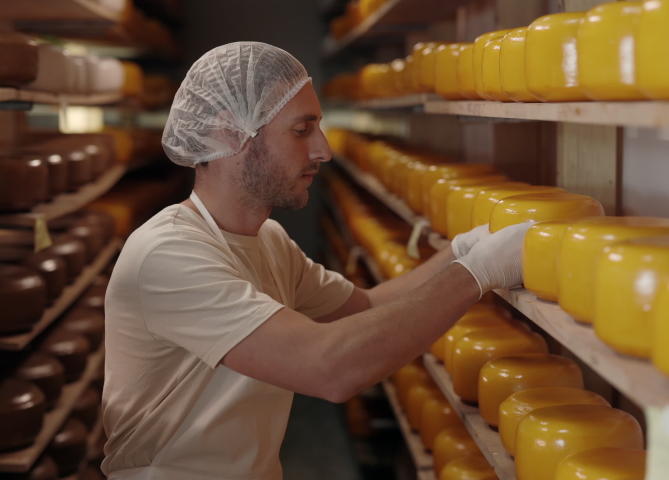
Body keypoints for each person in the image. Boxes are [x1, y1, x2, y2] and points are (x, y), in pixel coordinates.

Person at [101, 42, 531, 480]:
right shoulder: (168, 255)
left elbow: (366, 308)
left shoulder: (268, 240)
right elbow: (329, 367)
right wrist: (476, 275)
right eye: (302, 130)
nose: (323, 150)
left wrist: (458, 253)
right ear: (229, 132)